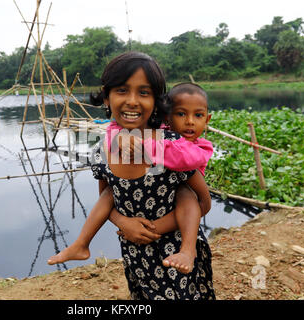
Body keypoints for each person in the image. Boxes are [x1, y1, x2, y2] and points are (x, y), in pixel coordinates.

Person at [50, 51, 215, 300]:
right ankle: (80, 245)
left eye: (144, 93)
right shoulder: (101, 151)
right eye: (122, 90)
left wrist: (155, 228)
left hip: (177, 255)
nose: (132, 101)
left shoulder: (170, 146)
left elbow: (202, 202)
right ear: (106, 97)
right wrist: (124, 224)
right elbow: (108, 200)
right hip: (135, 253)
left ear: (158, 101)